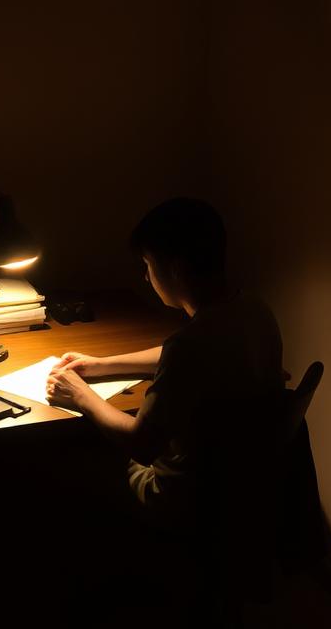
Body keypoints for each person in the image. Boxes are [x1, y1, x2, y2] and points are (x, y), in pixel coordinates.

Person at [46, 197, 289, 536]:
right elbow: (185, 354)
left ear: (174, 267)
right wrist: (101, 365)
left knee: (67, 463)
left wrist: (81, 396)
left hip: (184, 496)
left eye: (148, 264)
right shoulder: (252, 309)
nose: (146, 277)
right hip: (241, 479)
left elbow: (142, 445)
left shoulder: (189, 346)